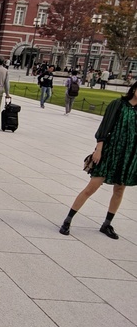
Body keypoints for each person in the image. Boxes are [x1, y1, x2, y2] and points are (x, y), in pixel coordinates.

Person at [59, 81, 137, 240]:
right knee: (91, 187)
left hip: (129, 155)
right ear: (134, 89)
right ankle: (68, 219)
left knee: (120, 190)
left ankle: (107, 223)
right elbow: (104, 127)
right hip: (111, 152)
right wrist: (99, 149)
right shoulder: (118, 104)